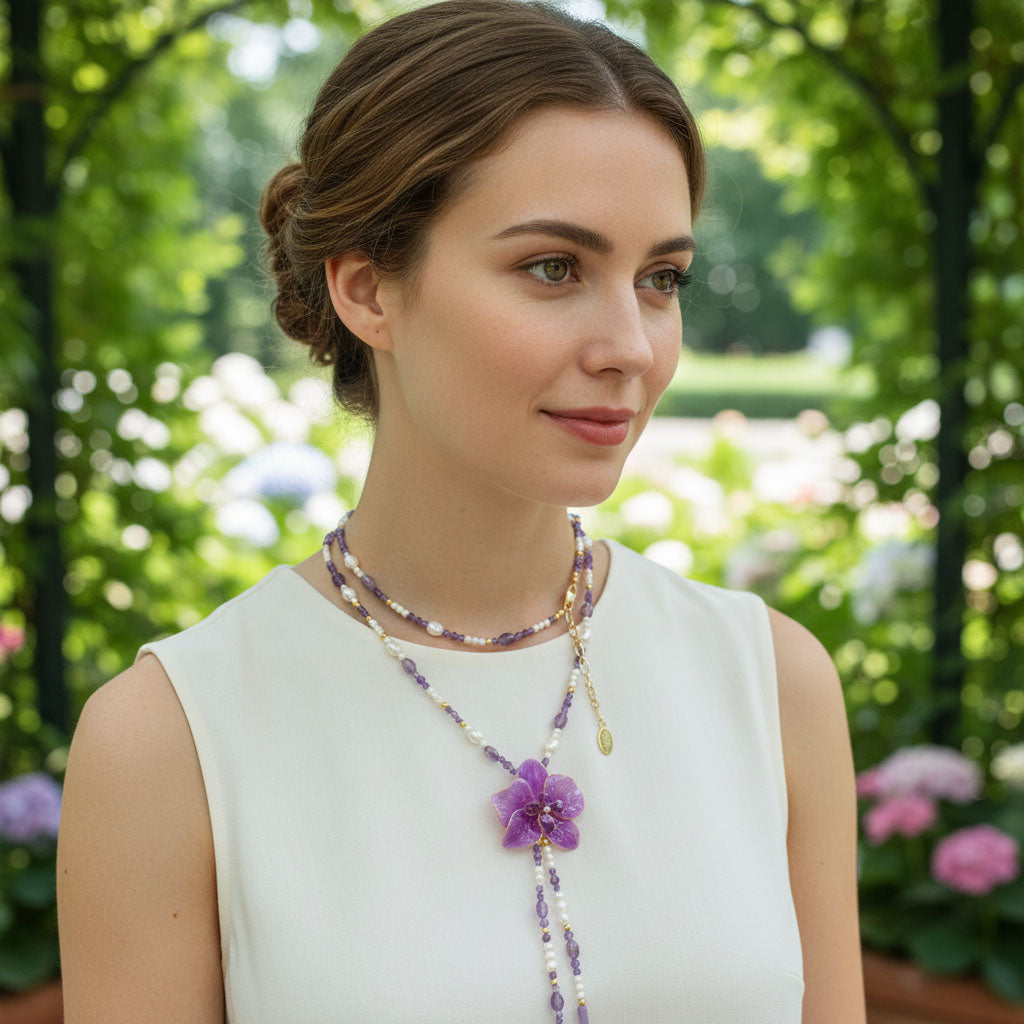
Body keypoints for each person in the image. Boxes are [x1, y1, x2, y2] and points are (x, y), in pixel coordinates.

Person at [55, 1, 866, 1021]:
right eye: (552, 267)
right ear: (368, 290)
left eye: (660, 278)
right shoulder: (168, 740)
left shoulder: (772, 684)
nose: (630, 344)